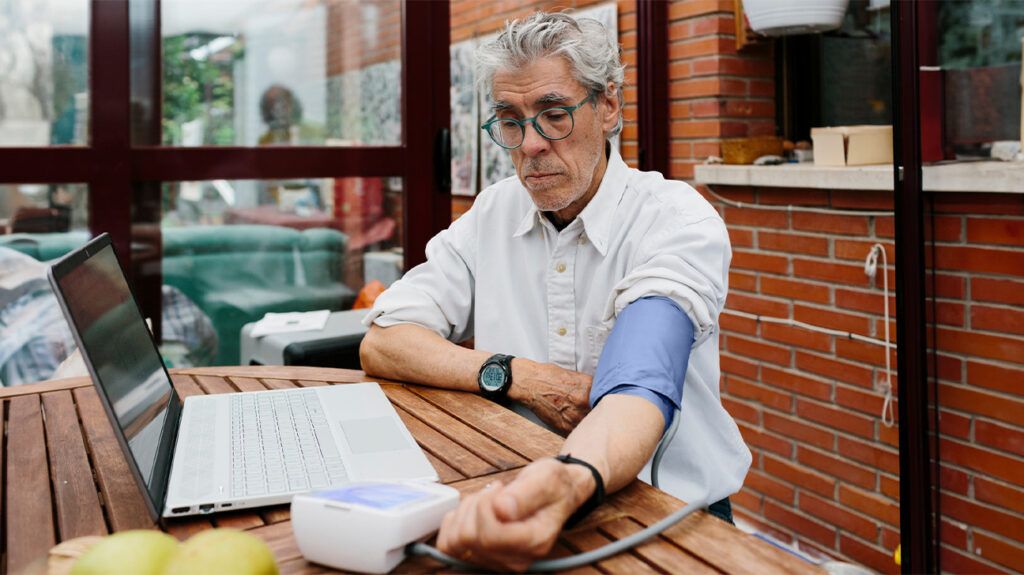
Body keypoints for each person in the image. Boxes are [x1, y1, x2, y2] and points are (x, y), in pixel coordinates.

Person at [359, 12, 751, 571]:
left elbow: (641, 374)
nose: (531, 145)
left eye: (554, 114)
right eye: (510, 121)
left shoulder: (676, 219)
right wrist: (520, 375)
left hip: (671, 516)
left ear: (609, 106)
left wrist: (571, 478)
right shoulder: (494, 211)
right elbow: (384, 338)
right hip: (523, 494)